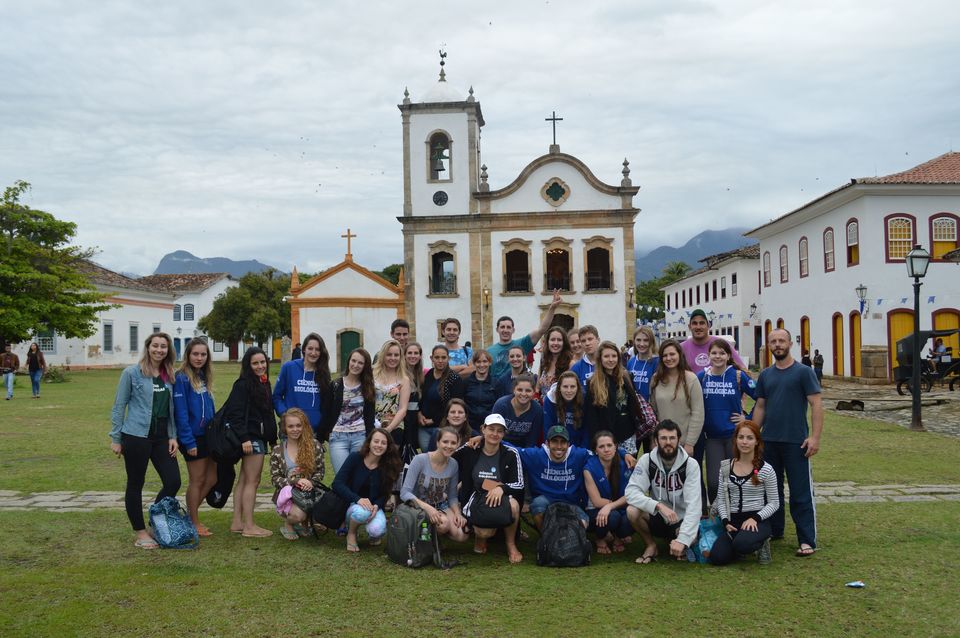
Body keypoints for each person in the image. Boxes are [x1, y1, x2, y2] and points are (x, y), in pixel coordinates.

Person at [751, 328, 823, 558]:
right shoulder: (765, 375)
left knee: (801, 493)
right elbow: (760, 406)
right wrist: (753, 435)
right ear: (769, 346)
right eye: (773, 341)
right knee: (772, 491)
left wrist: (815, 437)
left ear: (790, 343)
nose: (777, 344)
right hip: (769, 441)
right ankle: (775, 529)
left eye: (781, 340)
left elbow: (816, 404)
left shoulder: (803, 372)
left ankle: (806, 539)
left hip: (796, 442)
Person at [109, 332, 180, 549]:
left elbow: (170, 411)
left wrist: (172, 436)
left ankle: (154, 519)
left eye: (163, 347)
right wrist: (116, 438)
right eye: (155, 346)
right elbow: (119, 406)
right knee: (135, 484)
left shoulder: (169, 375)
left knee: (173, 481)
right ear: (148, 347)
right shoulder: (132, 373)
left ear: (169, 350)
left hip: (161, 438)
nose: (159, 350)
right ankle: (140, 532)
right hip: (136, 436)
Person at [625, 420, 702, 563]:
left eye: (672, 438)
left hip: (680, 519)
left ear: (679, 440)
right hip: (658, 516)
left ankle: (680, 543)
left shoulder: (691, 464)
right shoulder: (647, 460)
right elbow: (631, 492)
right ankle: (651, 545)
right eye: (663, 438)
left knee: (691, 538)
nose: (668, 442)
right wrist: (658, 506)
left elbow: (694, 506)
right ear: (656, 441)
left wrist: (684, 539)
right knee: (632, 511)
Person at [222, 346, 278, 537]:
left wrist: (272, 438)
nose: (260, 366)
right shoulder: (243, 384)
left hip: (258, 437)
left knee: (244, 480)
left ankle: (237, 522)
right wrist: (244, 438)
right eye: (255, 363)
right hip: (251, 439)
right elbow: (235, 414)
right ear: (248, 365)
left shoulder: (263, 382)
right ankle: (249, 526)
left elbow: (267, 414)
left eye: (263, 362)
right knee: (252, 482)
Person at [455, 413, 525, 563]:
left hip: (501, 497)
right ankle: (480, 538)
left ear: (504, 434)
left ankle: (511, 545)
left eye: (499, 431)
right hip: (476, 496)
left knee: (514, 506)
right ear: (483, 429)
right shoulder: (471, 449)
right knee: (484, 532)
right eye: (491, 429)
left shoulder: (511, 454)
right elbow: (450, 456)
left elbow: (519, 484)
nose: (495, 434)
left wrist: (501, 488)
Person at [709, 420, 780, 566]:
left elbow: (774, 503)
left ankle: (761, 543)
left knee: (742, 545)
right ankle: (737, 545)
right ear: (735, 440)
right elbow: (721, 499)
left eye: (749, 438)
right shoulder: (725, 467)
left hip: (756, 521)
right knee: (717, 558)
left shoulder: (766, 469)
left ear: (757, 442)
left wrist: (755, 518)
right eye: (741, 437)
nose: (745, 442)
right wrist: (725, 521)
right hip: (733, 522)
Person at [697, 338, 757, 505]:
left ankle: (737, 514)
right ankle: (717, 518)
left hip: (735, 437)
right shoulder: (702, 377)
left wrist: (748, 418)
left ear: (729, 355)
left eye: (722, 353)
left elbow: (760, 396)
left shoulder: (738, 375)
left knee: (737, 479)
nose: (718, 356)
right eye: (714, 353)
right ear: (708, 355)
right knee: (714, 482)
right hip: (712, 438)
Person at [173, 338, 217, 536]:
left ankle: (189, 516)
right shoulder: (181, 378)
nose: (199, 358)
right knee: (197, 480)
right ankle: (193, 522)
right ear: (188, 355)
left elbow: (209, 407)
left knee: (212, 478)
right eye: (195, 354)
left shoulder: (203, 376)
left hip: (208, 435)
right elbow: (181, 413)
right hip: (192, 438)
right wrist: (188, 441)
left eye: (203, 354)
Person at [333, 428, 403, 552]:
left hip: (373, 507)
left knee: (377, 531)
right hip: (353, 504)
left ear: (388, 447)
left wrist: (377, 505)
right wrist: (358, 499)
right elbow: (337, 484)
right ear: (369, 442)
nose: (379, 445)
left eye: (383, 443)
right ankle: (351, 533)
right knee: (361, 513)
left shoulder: (388, 465)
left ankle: (372, 533)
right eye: (376, 441)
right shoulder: (355, 458)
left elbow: (385, 493)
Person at [514, 425, 591, 530]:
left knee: (583, 524)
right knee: (537, 505)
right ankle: (545, 539)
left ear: (568, 444)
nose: (559, 446)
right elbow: (513, 450)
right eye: (554, 441)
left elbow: (601, 455)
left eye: (563, 442)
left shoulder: (579, 455)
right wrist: (486, 439)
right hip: (546, 500)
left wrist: (622, 453)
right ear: (547, 443)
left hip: (571, 502)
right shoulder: (536, 455)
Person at [399, 426, 469, 542]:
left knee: (461, 536)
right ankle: (427, 541)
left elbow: (452, 496)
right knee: (443, 524)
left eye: (453, 443)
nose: (449, 446)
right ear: (437, 442)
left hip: (440, 505)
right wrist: (429, 509)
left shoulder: (453, 464)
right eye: (445, 442)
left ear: (458, 445)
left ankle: (434, 536)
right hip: (418, 506)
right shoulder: (420, 460)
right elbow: (404, 493)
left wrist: (457, 513)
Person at [270, 408, 325, 541]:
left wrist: (310, 482)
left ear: (304, 426)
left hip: (310, 491)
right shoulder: (278, 450)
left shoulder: (315, 445)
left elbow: (320, 472)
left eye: (298, 425)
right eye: (291, 426)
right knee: (298, 515)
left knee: (326, 516)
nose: (295, 429)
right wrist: (294, 481)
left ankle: (305, 524)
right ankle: (289, 524)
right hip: (289, 494)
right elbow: (275, 478)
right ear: (285, 428)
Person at [319, 348, 376, 474]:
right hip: (338, 437)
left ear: (365, 366)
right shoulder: (335, 385)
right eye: (353, 361)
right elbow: (326, 412)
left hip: (360, 437)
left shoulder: (368, 387)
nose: (355, 365)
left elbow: (370, 417)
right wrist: (321, 437)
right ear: (349, 361)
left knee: (356, 477)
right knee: (342, 476)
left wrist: (370, 438)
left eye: (360, 363)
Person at [488, 290, 562, 378]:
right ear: (497, 329)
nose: (505, 330)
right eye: (502, 327)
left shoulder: (522, 344)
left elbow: (541, 330)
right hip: (499, 390)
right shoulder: (489, 351)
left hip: (521, 388)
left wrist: (552, 308)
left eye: (508, 327)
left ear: (513, 330)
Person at [584, 340, 645, 447]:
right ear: (600, 359)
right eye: (606, 356)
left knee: (629, 463)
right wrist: (596, 440)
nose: (611, 360)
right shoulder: (593, 383)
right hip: (606, 438)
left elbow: (632, 404)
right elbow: (591, 416)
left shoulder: (626, 376)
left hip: (628, 435)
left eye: (614, 356)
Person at [649, 340, 704, 455]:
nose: (669, 358)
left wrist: (690, 443)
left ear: (679, 354)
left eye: (672, 354)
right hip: (664, 443)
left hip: (685, 443)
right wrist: (654, 439)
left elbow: (698, 413)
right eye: (665, 355)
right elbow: (653, 414)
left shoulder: (691, 379)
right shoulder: (656, 379)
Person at [584, 431, 634, 554]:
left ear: (616, 446)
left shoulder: (626, 464)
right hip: (595, 511)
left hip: (619, 507)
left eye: (609, 445)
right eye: (601, 447)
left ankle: (618, 536)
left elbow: (631, 496)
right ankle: (600, 538)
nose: (606, 449)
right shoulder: (589, 468)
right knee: (613, 516)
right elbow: (596, 501)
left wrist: (611, 506)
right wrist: (612, 506)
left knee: (632, 516)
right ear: (595, 450)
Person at [272, 332, 331, 436]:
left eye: (317, 349)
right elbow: (276, 396)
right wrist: (284, 414)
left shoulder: (323, 373)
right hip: (291, 430)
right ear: (304, 349)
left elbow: (326, 404)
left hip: (313, 432)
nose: (313, 353)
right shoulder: (289, 368)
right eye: (310, 348)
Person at [418, 345, 464, 452]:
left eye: (443, 357)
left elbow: (454, 406)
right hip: (423, 426)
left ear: (448, 358)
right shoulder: (428, 375)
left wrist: (433, 420)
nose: (440, 361)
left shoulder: (454, 379)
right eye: (437, 357)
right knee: (427, 457)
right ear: (431, 358)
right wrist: (419, 414)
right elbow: (422, 398)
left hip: (443, 427)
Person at [680, 309, 747, 373]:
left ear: (708, 325)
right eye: (694, 323)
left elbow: (743, 369)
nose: (698, 327)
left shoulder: (722, 344)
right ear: (689, 327)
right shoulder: (681, 348)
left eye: (702, 323)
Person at [372, 339, 411, 447]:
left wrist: (389, 429)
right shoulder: (372, 375)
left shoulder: (404, 380)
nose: (393, 358)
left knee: (390, 461)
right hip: (372, 424)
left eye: (396, 355)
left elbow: (403, 409)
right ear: (383, 355)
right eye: (389, 355)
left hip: (394, 426)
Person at [492, 373, 543, 448]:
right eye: (520, 390)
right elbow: (494, 433)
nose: (523, 394)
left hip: (523, 450)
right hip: (500, 446)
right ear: (514, 390)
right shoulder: (501, 405)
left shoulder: (537, 410)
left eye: (528, 390)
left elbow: (532, 441)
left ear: (533, 392)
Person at [542, 370, 589, 448]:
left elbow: (587, 430)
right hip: (557, 447)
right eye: (565, 387)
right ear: (559, 387)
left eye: (572, 387)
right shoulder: (550, 399)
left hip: (578, 447)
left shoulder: (584, 399)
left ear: (578, 388)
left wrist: (582, 452)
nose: (569, 391)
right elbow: (547, 429)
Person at [462, 349, 500, 433]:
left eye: (485, 361)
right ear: (474, 363)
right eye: (478, 362)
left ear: (490, 363)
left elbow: (499, 405)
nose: (481, 365)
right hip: (469, 427)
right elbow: (461, 403)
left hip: (489, 426)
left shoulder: (496, 383)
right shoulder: (466, 382)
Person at [536, 326, 573, 400]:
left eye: (559, 340)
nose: (555, 343)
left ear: (564, 342)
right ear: (548, 342)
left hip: (561, 407)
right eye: (552, 340)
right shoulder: (544, 360)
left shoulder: (570, 363)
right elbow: (537, 388)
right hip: (543, 407)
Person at [625, 326, 659, 401]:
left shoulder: (657, 362)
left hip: (651, 408)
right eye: (638, 340)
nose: (642, 344)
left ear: (651, 342)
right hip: (634, 408)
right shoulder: (631, 362)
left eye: (646, 340)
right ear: (634, 341)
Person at [403, 342, 424, 450]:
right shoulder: (401, 374)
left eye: (416, 353)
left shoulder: (419, 375)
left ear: (420, 356)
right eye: (409, 353)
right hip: (403, 419)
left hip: (414, 419)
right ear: (404, 355)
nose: (413, 356)